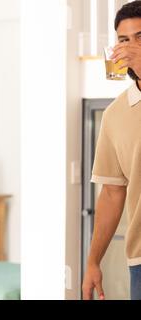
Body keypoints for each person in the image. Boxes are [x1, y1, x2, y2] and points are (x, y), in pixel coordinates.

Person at [82, 1, 141, 300]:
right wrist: (93, 261)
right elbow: (111, 192)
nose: (130, 46)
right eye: (124, 40)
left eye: (140, 37)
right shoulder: (115, 114)